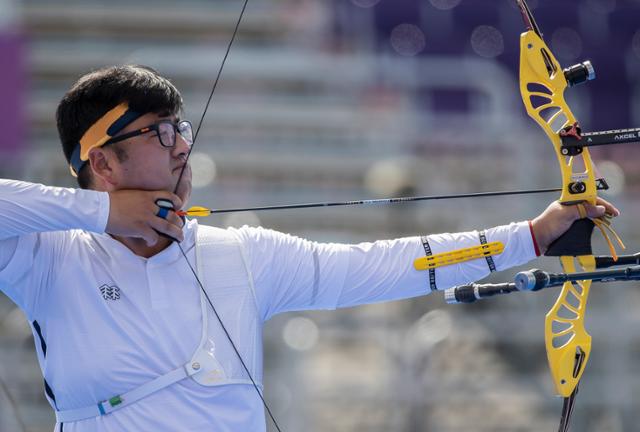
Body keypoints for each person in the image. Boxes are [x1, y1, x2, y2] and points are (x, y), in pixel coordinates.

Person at [0, 65, 619, 432]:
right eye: (159, 133)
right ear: (101, 162)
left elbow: (386, 264)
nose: (181, 146)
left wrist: (530, 237)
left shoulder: (241, 254)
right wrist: (106, 213)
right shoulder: (47, 257)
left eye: (181, 128)